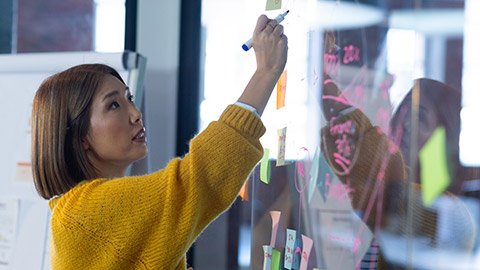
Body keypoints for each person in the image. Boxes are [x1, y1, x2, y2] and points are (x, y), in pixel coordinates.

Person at [31, 15, 287, 269]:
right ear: (79, 137)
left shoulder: (78, 214)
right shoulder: (84, 213)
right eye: (113, 105)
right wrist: (266, 72)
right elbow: (194, 182)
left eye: (129, 98)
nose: (136, 113)